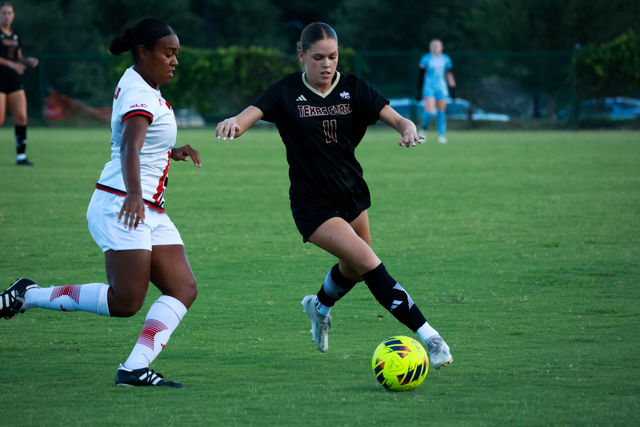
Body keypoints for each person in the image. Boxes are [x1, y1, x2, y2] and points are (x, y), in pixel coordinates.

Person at [216, 22, 453, 369]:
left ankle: (320, 307)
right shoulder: (285, 92)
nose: (326, 64)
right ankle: (430, 337)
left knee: (354, 269)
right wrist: (234, 123)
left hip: (352, 193)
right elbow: (249, 115)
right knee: (370, 264)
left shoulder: (353, 89)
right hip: (313, 204)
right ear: (302, 56)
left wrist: (409, 128)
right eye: (317, 58)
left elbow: (398, 119)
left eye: (333, 57)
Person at [0, 17, 201, 387]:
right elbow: (128, 146)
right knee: (126, 302)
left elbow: (141, 143)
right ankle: (29, 295)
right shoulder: (141, 93)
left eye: (177, 54)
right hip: (123, 204)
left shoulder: (139, 82)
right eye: (168, 53)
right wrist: (136, 195)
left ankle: (134, 368)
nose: (175, 61)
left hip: (144, 206)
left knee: (183, 288)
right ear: (143, 52)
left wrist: (171, 152)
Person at [0, 1, 38, 166]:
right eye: (3, 13)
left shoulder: (15, 35)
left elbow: (18, 57)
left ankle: (21, 157)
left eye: (9, 13)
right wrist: (12, 64)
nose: (7, 16)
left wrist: (27, 61)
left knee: (22, 117)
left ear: (13, 15)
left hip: (14, 80)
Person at [417, 39, 456, 144]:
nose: (435, 48)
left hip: (442, 88)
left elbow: (449, 75)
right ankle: (423, 130)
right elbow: (420, 76)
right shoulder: (426, 59)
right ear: (430, 47)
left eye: (437, 46)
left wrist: (453, 90)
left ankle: (441, 135)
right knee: (429, 112)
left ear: (441, 47)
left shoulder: (446, 59)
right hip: (429, 88)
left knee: (441, 112)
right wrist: (418, 91)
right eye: (433, 46)